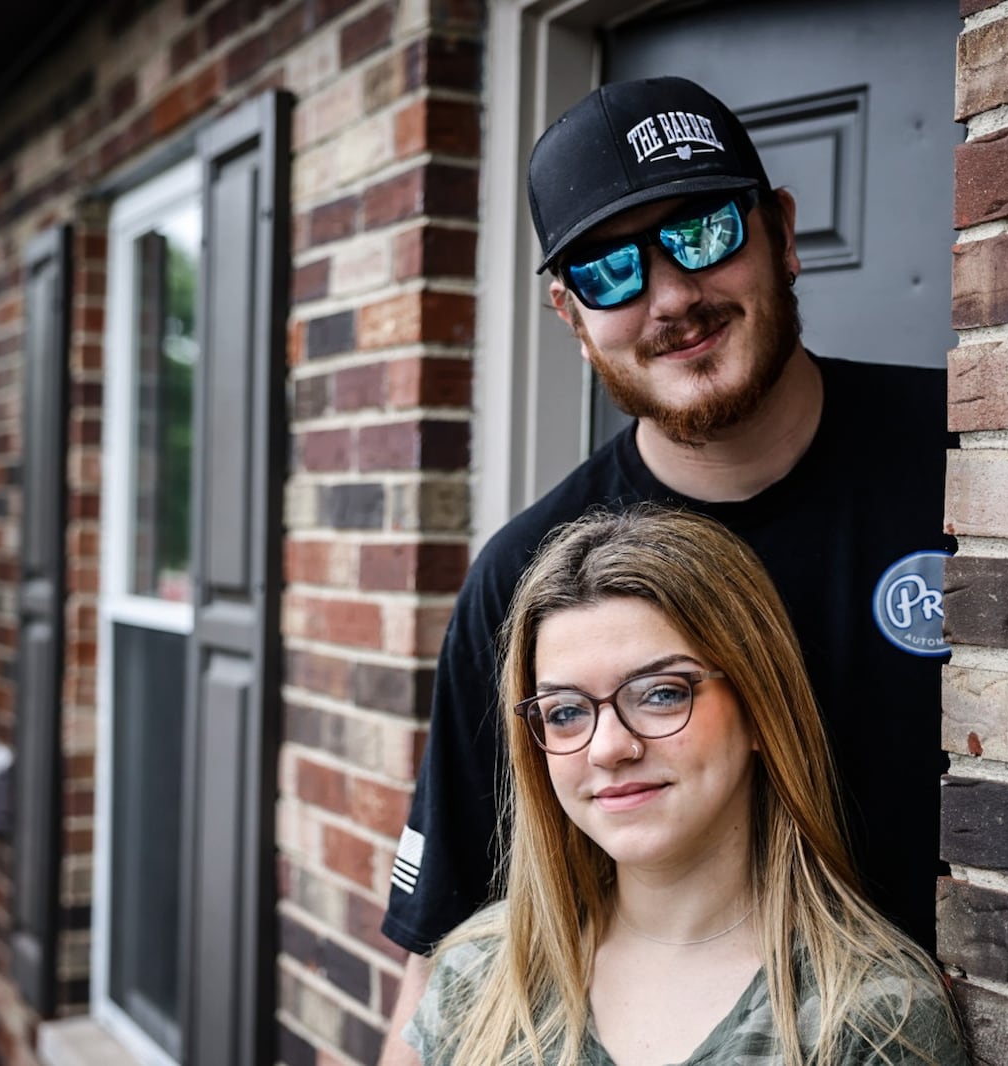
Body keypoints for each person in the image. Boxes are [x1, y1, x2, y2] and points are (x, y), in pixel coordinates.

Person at [379, 75, 953, 1062]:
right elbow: (444, 953)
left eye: (702, 234)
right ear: (567, 311)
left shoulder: (970, 466)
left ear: (778, 228)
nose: (672, 296)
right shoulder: (531, 579)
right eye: (609, 271)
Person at [404, 507, 967, 1064]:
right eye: (566, 711)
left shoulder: (869, 1018)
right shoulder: (480, 972)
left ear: (758, 708)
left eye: (661, 693)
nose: (607, 747)